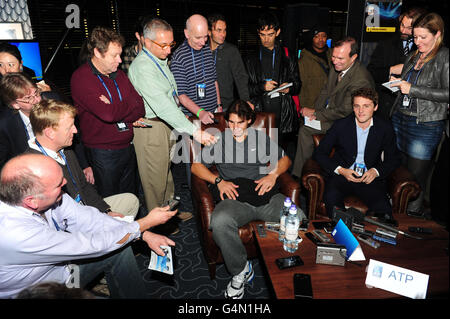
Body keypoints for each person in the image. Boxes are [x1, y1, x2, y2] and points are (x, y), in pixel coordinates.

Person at [0, 153, 176, 299]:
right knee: (112, 243)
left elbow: (91, 219)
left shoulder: (47, 195)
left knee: (118, 247)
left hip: (65, 270)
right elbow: (93, 245)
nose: (65, 184)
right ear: (32, 201)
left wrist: (143, 234)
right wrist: (145, 223)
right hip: (39, 292)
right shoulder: (14, 233)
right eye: (58, 185)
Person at [191, 100, 305, 299]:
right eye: (231, 122)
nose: (235, 128)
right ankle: (240, 270)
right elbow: (196, 167)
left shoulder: (259, 138)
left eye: (240, 123)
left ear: (249, 121)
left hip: (264, 194)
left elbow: (285, 159)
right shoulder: (219, 140)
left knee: (300, 219)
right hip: (235, 197)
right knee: (219, 221)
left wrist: (273, 175)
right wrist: (218, 180)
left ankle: (290, 263)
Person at [128, 18, 217, 224]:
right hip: (152, 129)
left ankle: (170, 214)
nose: (169, 50)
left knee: (165, 176)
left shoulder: (157, 60)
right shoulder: (143, 67)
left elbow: (171, 95)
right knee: (154, 183)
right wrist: (194, 131)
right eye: (164, 45)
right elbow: (162, 105)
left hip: (164, 125)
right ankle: (158, 225)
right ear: (147, 42)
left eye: (171, 44)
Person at [27, 99, 139, 219]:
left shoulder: (66, 150)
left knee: (131, 200)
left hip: (85, 210)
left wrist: (105, 211)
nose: (75, 131)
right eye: (69, 127)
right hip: (73, 226)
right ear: (50, 133)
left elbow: (84, 186)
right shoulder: (34, 170)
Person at [71, 26, 145, 198]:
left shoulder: (119, 75)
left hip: (127, 147)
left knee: (131, 198)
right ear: (97, 52)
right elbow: (108, 115)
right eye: (114, 55)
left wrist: (114, 105)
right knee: (111, 202)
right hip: (103, 153)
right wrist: (126, 104)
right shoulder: (82, 78)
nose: (119, 60)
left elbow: (140, 106)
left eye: (120, 54)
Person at [389, 12, 449, 217]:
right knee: (399, 174)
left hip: (425, 125)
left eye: (423, 37)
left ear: (437, 34)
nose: (418, 41)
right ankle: (396, 214)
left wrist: (412, 89)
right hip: (401, 118)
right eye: (415, 37)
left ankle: (411, 219)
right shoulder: (415, 55)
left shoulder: (444, 56)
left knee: (415, 180)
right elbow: (406, 84)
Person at [313, 88, 401, 221]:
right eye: (357, 106)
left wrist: (376, 171)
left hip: (369, 179)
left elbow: (393, 159)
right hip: (342, 176)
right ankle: (343, 237)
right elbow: (319, 153)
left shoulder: (385, 128)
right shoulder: (341, 125)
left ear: (375, 107)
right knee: (335, 208)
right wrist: (341, 170)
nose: (361, 111)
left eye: (366, 106)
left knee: (385, 214)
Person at [292, 36, 374, 179]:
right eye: (334, 57)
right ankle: (304, 173)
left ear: (353, 57)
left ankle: (302, 177)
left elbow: (345, 111)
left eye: (340, 58)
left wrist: (317, 114)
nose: (335, 61)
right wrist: (315, 113)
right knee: (304, 124)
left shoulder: (360, 79)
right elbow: (325, 91)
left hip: (347, 122)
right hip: (332, 114)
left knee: (305, 131)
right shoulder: (337, 66)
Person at [245, 12, 301, 136]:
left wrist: (289, 89)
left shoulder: (288, 55)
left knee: (278, 151)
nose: (266, 39)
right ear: (258, 33)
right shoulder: (250, 58)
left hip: (282, 112)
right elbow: (244, 89)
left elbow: (298, 84)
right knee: (259, 150)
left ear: (278, 32)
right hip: (260, 111)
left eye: (270, 35)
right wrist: (262, 87)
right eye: (262, 35)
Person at [367, 7, 427, 119]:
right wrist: (392, 69)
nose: (403, 31)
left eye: (409, 28)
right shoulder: (385, 45)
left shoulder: (425, 48)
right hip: (387, 108)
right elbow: (371, 72)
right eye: (402, 25)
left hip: (415, 110)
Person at [170, 14, 221, 125]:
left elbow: (214, 80)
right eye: (198, 37)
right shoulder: (179, 58)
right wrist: (200, 113)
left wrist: (219, 105)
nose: (203, 42)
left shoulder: (206, 49)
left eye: (205, 37)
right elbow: (181, 95)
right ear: (187, 34)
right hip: (194, 119)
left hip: (214, 113)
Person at [207, 13, 251, 111]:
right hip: (203, 106)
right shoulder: (202, 50)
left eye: (224, 30)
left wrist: (246, 100)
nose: (223, 34)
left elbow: (240, 77)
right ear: (209, 32)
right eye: (219, 30)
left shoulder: (231, 51)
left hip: (225, 106)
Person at [297, 25, 332, 110]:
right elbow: (301, 87)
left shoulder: (333, 55)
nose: (321, 39)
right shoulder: (304, 60)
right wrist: (303, 107)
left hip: (331, 105)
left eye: (323, 36)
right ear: (312, 38)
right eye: (317, 36)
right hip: (312, 107)